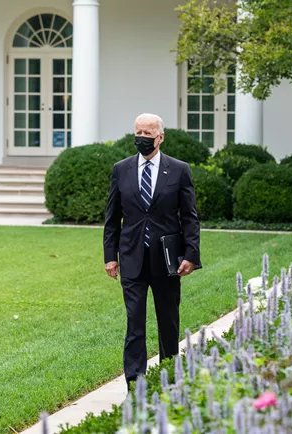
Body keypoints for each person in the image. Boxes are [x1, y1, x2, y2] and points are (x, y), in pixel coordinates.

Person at [103, 113, 201, 390]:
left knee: (168, 321)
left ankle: (169, 377)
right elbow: (112, 218)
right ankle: (136, 383)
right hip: (132, 257)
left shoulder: (179, 169)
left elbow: (190, 217)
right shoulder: (120, 169)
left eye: (148, 133)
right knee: (134, 323)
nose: (142, 138)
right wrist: (110, 256)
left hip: (167, 260)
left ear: (160, 137)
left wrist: (191, 254)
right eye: (139, 132)